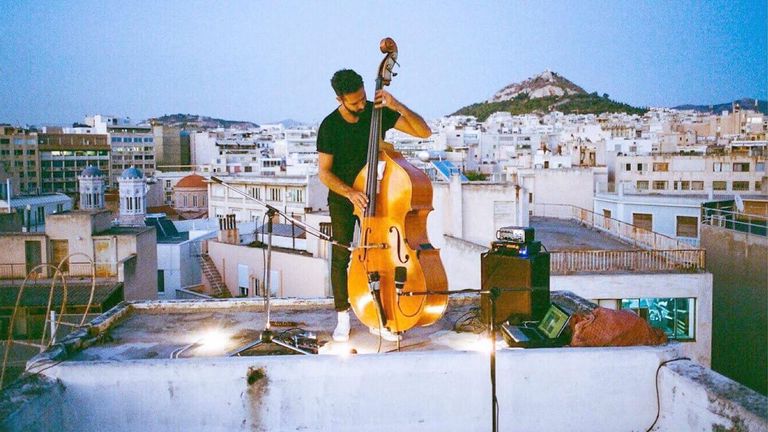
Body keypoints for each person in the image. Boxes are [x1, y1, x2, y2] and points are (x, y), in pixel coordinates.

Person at [317, 69, 431, 342]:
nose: (360, 105)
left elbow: (424, 132)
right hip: (345, 196)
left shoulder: (375, 111)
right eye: (354, 102)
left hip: (377, 193)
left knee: (382, 255)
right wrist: (349, 192)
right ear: (339, 99)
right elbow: (324, 172)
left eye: (362, 98)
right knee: (342, 256)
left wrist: (396, 105)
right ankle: (343, 315)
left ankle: (381, 315)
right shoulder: (329, 126)